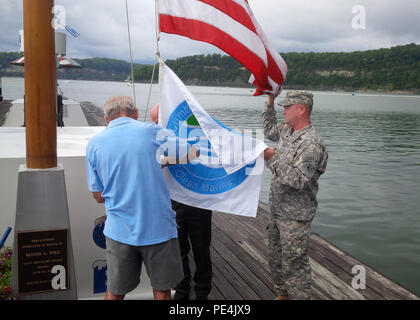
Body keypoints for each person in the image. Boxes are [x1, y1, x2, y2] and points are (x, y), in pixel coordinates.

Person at [86, 96, 191, 300]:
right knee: (162, 290)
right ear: (135, 114)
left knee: (115, 291)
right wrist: (162, 162)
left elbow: (98, 196)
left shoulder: (94, 144)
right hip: (158, 229)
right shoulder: (150, 131)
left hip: (118, 230)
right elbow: (189, 151)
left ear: (107, 118)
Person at [262, 91, 328, 300]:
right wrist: (270, 102)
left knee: (294, 264)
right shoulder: (287, 131)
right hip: (277, 209)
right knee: (275, 257)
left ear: (301, 109)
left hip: (295, 216)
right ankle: (282, 294)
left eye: (287, 107)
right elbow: (268, 129)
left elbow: (299, 180)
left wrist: (271, 158)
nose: (284, 111)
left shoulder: (311, 144)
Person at [150, 104, 213, 300]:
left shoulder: (198, 135)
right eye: (154, 121)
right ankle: (182, 289)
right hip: (172, 202)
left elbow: (201, 155)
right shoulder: (151, 139)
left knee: (201, 248)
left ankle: (203, 290)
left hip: (198, 202)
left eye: (158, 120)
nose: (156, 124)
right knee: (178, 249)